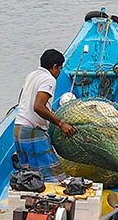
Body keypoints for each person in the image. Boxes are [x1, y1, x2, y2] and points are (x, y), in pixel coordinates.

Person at [13, 49, 77, 183]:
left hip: (18, 130)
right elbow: (38, 107)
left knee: (30, 178)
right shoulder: (49, 79)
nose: (59, 72)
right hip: (32, 131)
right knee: (54, 178)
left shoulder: (32, 75)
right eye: (60, 68)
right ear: (54, 67)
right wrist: (61, 123)